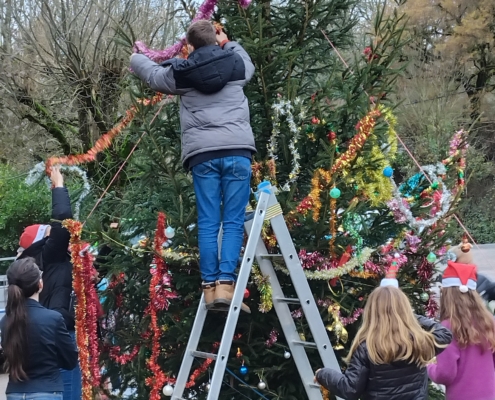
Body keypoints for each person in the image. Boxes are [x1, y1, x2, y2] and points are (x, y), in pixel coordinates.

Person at [130, 20, 256, 313]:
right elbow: (247, 61)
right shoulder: (236, 64)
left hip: (203, 156)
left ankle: (210, 289)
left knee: (209, 221)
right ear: (215, 38)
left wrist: (136, 58)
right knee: (233, 220)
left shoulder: (182, 73)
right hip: (237, 151)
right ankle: (226, 285)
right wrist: (227, 41)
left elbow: (153, 75)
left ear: (189, 45)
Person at [314, 279, 452, 400]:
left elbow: (350, 389)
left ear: (372, 312)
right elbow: (444, 334)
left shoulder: (368, 347)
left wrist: (323, 374)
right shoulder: (418, 341)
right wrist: (408, 317)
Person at [17, 166, 81, 400]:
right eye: (49, 233)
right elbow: (63, 220)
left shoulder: (29, 264)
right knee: (68, 391)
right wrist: (59, 185)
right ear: (42, 240)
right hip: (60, 332)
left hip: (42, 334)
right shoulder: (50, 255)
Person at [1, 258, 78, 400]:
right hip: (47, 390)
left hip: (14, 392)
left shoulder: (6, 321)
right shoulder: (53, 319)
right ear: (40, 284)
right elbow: (70, 361)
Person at [427, 245, 495, 400]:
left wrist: (429, 368)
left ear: (447, 296)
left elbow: (445, 374)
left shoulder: (448, 327)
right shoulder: (489, 321)